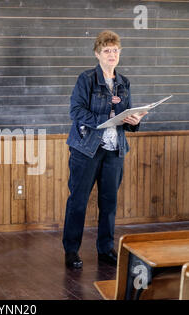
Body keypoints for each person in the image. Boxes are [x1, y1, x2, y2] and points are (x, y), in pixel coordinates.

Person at [63, 30, 147, 269]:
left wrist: (134, 121)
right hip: (86, 149)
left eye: (115, 50)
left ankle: (105, 249)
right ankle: (71, 251)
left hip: (114, 150)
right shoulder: (86, 79)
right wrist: (105, 118)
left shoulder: (124, 83)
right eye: (107, 50)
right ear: (98, 54)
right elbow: (76, 112)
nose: (112, 54)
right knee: (78, 201)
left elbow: (129, 113)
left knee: (109, 202)